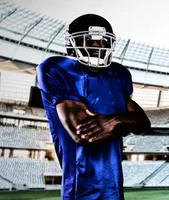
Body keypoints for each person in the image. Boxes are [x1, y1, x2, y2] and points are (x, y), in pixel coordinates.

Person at [36, 14, 151, 200]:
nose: (98, 46)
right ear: (73, 42)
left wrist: (113, 121)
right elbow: (85, 136)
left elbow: (144, 123)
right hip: (80, 189)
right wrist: (126, 124)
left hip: (113, 188)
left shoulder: (118, 74)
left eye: (104, 40)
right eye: (90, 39)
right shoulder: (56, 69)